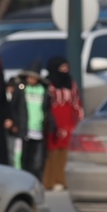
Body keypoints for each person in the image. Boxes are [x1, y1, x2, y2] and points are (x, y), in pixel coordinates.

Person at [42, 55, 83, 191]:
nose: (65, 70)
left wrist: (80, 120)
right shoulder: (47, 83)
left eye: (66, 67)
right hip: (53, 120)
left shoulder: (71, 83)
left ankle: (65, 180)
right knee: (53, 150)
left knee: (66, 149)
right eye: (61, 67)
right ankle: (51, 180)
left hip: (68, 119)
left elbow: (76, 102)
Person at [9, 60, 49, 180]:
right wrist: (15, 123)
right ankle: (21, 177)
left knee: (35, 157)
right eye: (29, 77)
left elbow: (45, 108)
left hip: (37, 128)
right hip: (23, 128)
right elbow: (13, 106)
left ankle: (34, 177)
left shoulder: (43, 89)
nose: (31, 80)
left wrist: (47, 121)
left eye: (34, 77)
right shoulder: (21, 88)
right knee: (22, 155)